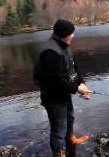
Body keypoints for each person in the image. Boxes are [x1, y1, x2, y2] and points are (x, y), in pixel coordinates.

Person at [33, 19, 93, 157]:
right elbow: (57, 81)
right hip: (53, 97)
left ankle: (70, 140)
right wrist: (77, 89)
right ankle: (59, 154)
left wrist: (81, 83)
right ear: (64, 34)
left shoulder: (63, 45)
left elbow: (73, 67)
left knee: (70, 118)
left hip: (64, 93)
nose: (74, 36)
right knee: (58, 130)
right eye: (71, 33)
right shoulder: (51, 53)